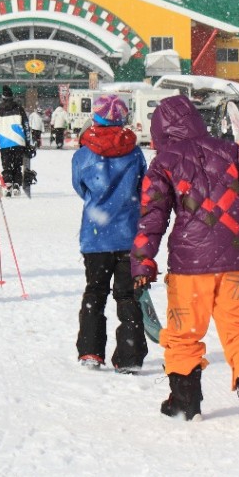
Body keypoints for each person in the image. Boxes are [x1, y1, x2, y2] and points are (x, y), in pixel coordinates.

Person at [131, 94, 239, 423]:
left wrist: (142, 263)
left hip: (189, 266)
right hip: (235, 261)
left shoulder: (163, 162)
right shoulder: (232, 152)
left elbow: (151, 218)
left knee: (184, 333)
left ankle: (185, 401)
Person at [71, 94, 148, 373]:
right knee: (128, 295)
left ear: (96, 117)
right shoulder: (135, 153)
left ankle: (90, 350)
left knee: (95, 291)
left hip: (96, 235)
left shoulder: (83, 154)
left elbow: (80, 187)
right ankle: (129, 355)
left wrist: (99, 202)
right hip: (128, 234)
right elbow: (143, 187)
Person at [0, 86, 31, 196]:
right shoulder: (19, 108)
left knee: (7, 165)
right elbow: (26, 126)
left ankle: (8, 184)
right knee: (17, 165)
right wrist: (28, 142)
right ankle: (17, 184)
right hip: (19, 141)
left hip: (4, 141)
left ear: (3, 97)